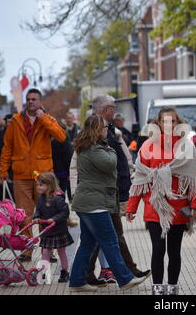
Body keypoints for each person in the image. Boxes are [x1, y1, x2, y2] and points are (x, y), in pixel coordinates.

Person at [126, 106, 196, 295]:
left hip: (178, 208)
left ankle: (172, 287)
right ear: (158, 124)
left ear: (177, 123)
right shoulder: (148, 146)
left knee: (174, 250)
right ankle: (157, 288)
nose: (168, 124)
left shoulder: (186, 146)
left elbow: (194, 179)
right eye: (164, 121)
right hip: (154, 207)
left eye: (172, 121)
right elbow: (140, 179)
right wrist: (131, 207)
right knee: (157, 248)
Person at [69, 114, 147, 292]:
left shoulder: (86, 147)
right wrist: (111, 148)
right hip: (94, 203)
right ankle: (125, 279)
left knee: (88, 243)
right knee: (110, 241)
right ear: (97, 130)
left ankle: (77, 281)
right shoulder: (96, 149)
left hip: (88, 202)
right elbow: (111, 164)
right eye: (105, 127)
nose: (107, 130)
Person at [0, 89, 66, 262]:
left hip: (43, 175)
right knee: (23, 214)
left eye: (34, 99)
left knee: (47, 213)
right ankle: (27, 249)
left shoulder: (47, 119)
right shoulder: (15, 121)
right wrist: (3, 170)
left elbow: (60, 136)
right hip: (21, 174)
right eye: (28, 99)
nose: (30, 102)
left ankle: (48, 249)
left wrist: (43, 118)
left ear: (40, 101)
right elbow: (7, 146)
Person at [32, 172, 73, 283]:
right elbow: (38, 210)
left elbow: (65, 212)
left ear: (49, 186)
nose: (38, 187)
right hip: (48, 231)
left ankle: (64, 272)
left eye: (41, 185)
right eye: (37, 185)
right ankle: (44, 271)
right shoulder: (41, 198)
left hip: (59, 230)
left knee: (61, 251)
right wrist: (36, 217)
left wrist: (54, 219)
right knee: (45, 251)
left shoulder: (58, 198)